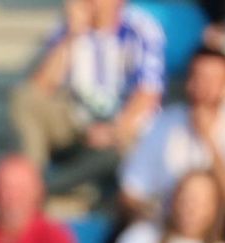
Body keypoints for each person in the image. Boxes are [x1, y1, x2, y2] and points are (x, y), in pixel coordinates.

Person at [9, 0, 164, 195]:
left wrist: (113, 131)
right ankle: (29, 180)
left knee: (121, 149)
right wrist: (72, 35)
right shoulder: (67, 27)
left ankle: (38, 191)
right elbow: (40, 87)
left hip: (122, 126)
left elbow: (148, 94)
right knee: (25, 99)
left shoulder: (140, 29)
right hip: (77, 120)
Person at [119, 47, 225, 229]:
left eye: (213, 80)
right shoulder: (162, 124)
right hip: (164, 227)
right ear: (188, 82)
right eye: (198, 78)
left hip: (221, 232)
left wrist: (209, 141)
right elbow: (130, 193)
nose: (204, 87)